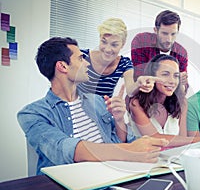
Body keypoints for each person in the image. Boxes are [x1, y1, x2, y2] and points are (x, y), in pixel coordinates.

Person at [17, 37, 169, 175]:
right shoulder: (32, 114)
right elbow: (65, 149)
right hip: (68, 183)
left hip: (111, 175)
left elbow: (119, 141)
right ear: (63, 66)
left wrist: (119, 120)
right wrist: (130, 151)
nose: (87, 63)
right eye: (81, 58)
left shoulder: (97, 101)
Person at [129, 54, 200, 147]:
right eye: (165, 74)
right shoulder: (136, 103)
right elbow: (154, 138)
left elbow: (183, 141)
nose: (172, 81)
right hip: (143, 160)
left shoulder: (181, 103)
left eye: (176, 76)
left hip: (172, 159)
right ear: (152, 76)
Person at [77, 18, 155, 98]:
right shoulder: (82, 55)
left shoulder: (124, 64)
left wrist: (139, 83)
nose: (107, 49)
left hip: (103, 109)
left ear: (123, 44)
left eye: (114, 45)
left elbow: (130, 91)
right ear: (100, 38)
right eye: (104, 42)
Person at [131, 10, 188, 89]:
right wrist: (174, 79)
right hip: (142, 97)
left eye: (173, 34)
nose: (169, 39)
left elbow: (183, 87)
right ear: (156, 30)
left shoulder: (181, 52)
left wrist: (181, 82)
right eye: (164, 33)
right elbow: (140, 78)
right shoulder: (141, 41)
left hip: (168, 99)